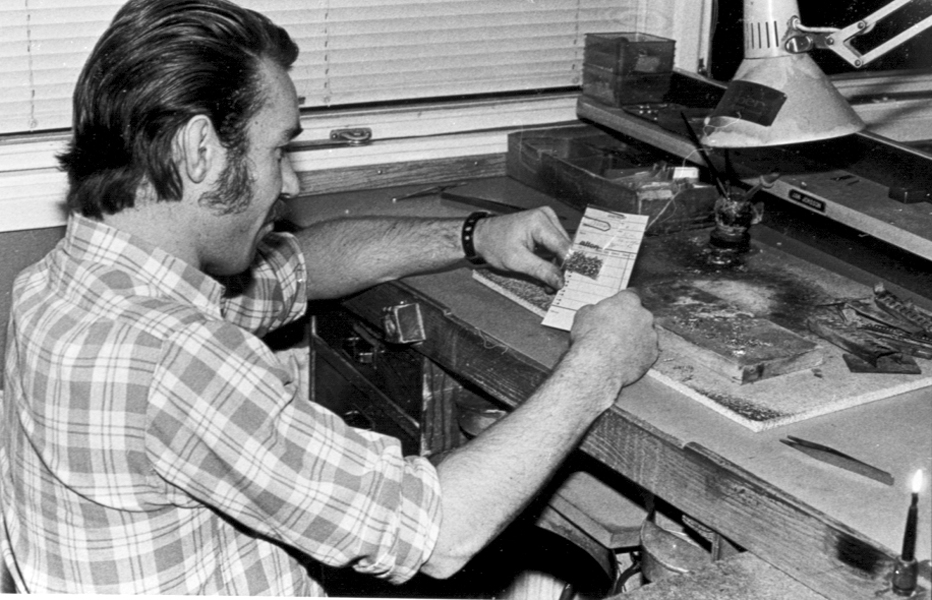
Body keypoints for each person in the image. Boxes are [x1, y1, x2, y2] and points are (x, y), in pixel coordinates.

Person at [0, 0, 659, 594]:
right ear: (199, 150)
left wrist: (477, 236)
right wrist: (599, 361)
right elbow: (439, 532)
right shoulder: (177, 357)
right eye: (278, 151)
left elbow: (302, 267)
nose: (288, 183)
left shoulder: (62, 285)